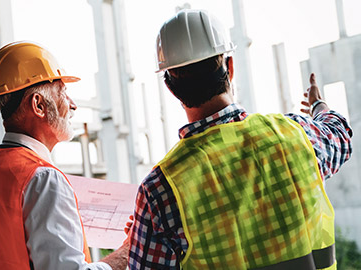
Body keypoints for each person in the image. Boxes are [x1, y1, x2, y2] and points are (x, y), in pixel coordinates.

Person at [128, 9, 352, 270]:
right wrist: (317, 105)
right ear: (230, 67)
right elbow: (340, 132)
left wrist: (141, 235)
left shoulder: (160, 190)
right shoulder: (295, 135)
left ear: (170, 87)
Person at [0, 41, 129, 270]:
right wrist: (125, 254)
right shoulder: (44, 179)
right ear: (38, 105)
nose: (72, 105)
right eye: (63, 92)